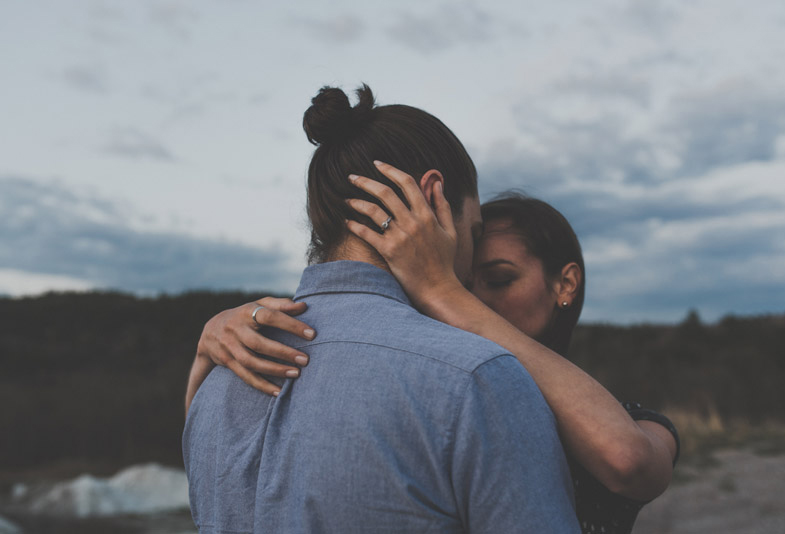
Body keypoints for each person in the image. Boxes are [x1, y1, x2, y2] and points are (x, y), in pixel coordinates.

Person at [183, 85, 580, 533]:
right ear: (433, 197)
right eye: (474, 229)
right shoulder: (477, 380)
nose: (471, 273)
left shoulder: (216, 385)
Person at [187, 180, 679, 533]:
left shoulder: (635, 421)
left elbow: (627, 460)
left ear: (565, 284)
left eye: (501, 279)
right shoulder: (448, 389)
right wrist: (210, 348)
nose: (477, 299)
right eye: (469, 282)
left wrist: (444, 289)